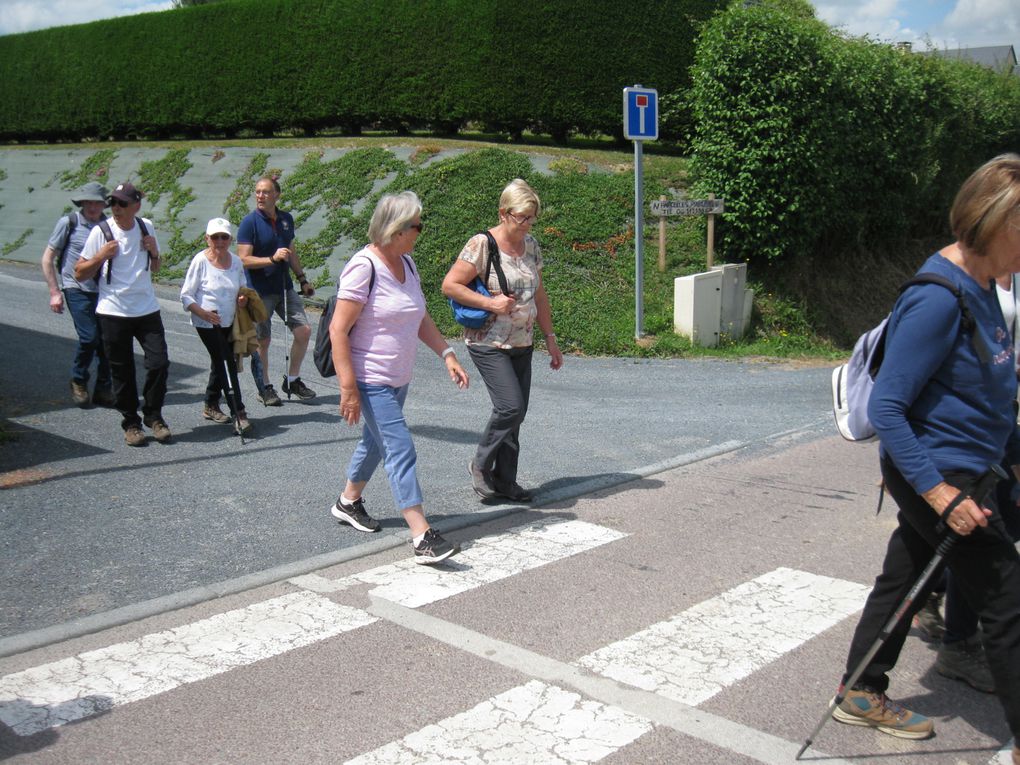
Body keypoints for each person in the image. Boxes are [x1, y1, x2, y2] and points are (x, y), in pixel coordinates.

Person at [832, 154, 1020, 765]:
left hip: (970, 469)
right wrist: (941, 494)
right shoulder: (941, 298)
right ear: (1001, 225)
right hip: (938, 474)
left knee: (905, 578)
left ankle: (861, 691)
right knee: (1010, 604)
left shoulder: (989, 281)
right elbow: (889, 409)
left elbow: (986, 390)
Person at [329, 191, 469, 565]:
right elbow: (338, 330)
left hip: (398, 376)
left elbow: (419, 315)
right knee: (400, 449)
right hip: (370, 378)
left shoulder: (406, 262)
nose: (420, 231)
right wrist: (348, 388)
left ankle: (348, 501)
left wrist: (447, 353)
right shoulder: (364, 267)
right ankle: (422, 535)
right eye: (416, 226)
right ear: (395, 228)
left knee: (376, 443)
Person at [441, 178, 563, 502]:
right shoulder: (482, 244)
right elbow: (450, 285)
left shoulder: (532, 245)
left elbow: (540, 294)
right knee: (509, 406)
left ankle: (506, 480)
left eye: (532, 217)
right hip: (488, 341)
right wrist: (490, 303)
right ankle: (480, 464)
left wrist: (550, 338)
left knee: (516, 413)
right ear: (504, 213)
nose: (528, 224)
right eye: (522, 217)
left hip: (523, 341)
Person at [74, 182, 171, 447]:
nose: (115, 208)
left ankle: (153, 415)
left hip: (146, 309)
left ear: (136, 206)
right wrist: (101, 256)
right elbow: (80, 272)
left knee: (159, 363)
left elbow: (157, 267)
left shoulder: (145, 226)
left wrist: (153, 252)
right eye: (113, 203)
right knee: (122, 370)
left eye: (122, 203)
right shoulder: (101, 232)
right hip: (113, 311)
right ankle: (131, 423)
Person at [236, 176, 316, 406]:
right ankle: (266, 387)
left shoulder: (286, 219)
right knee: (263, 340)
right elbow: (243, 259)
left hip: (284, 287)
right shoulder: (249, 222)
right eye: (257, 192)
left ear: (276, 195)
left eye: (265, 192)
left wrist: (302, 279)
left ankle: (292, 380)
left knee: (304, 331)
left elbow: (291, 250)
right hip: (259, 291)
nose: (260, 196)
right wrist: (271, 259)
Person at [40, 181, 114, 407]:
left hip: (103, 292)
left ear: (104, 205)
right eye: (88, 202)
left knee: (108, 342)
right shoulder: (69, 222)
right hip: (76, 288)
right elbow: (48, 258)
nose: (92, 207)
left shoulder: (108, 226)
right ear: (82, 203)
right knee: (89, 337)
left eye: (97, 203)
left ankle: (103, 388)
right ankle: (79, 380)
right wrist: (54, 291)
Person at [179, 218, 252, 436]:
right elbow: (185, 296)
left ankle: (211, 404)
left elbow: (243, 288)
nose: (219, 241)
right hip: (207, 322)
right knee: (226, 363)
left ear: (230, 239)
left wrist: (242, 298)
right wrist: (203, 313)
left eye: (224, 237)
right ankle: (239, 412)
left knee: (219, 361)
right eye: (215, 237)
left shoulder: (236, 262)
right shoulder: (200, 261)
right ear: (207, 239)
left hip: (230, 320)